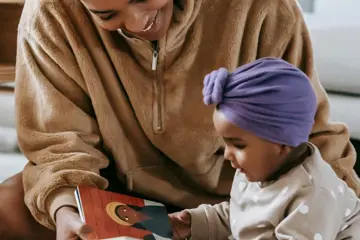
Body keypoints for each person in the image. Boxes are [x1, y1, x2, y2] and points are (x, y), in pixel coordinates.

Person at [0, 0, 358, 239]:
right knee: (9, 205)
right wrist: (66, 209)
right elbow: (57, 145)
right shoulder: (51, 14)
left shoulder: (262, 9)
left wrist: (343, 205)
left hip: (237, 195)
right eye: (107, 14)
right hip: (114, 195)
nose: (140, 22)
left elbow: (309, 137)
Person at [171, 58, 360, 240]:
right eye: (226, 143)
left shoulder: (313, 196)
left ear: (282, 142)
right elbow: (245, 218)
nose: (227, 154)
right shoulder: (259, 168)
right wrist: (195, 223)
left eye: (238, 145)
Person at [106, 201, 173, 239]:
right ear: (129, 222)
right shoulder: (149, 230)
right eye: (126, 217)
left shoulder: (148, 208)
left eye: (124, 209)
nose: (129, 213)